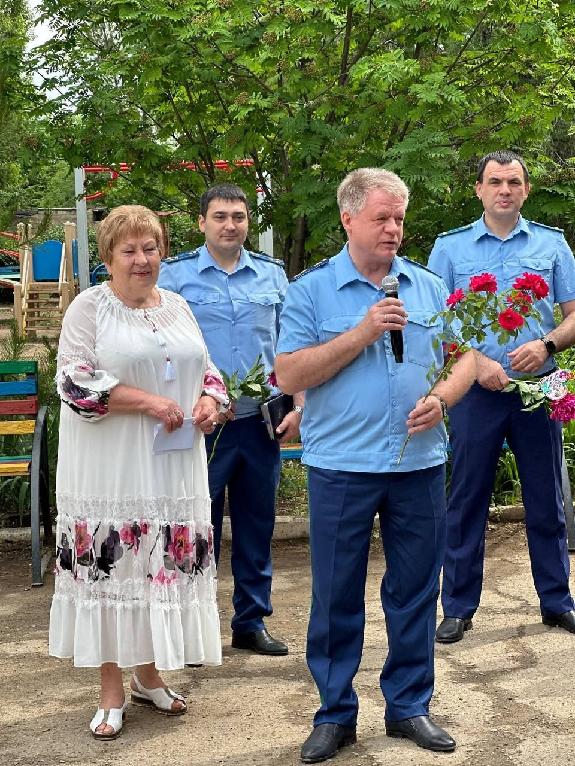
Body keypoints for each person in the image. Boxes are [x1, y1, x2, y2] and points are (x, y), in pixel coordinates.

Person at [275, 168, 476, 764]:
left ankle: (409, 705)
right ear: (348, 219)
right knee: (336, 595)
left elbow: (466, 358)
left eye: (399, 219)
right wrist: (363, 332)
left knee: (415, 591)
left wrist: (443, 398)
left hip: (417, 463)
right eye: (381, 218)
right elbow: (289, 373)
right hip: (342, 466)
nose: (393, 229)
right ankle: (335, 715)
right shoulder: (312, 291)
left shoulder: (429, 287)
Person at [48, 205, 228, 740]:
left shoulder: (177, 305)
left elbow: (207, 369)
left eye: (150, 248)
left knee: (156, 567)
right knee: (114, 567)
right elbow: (74, 383)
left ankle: (148, 675)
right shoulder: (89, 307)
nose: (142, 259)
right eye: (129, 250)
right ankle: (111, 690)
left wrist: (209, 401)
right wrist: (150, 402)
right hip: (111, 467)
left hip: (171, 466)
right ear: (108, 258)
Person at [429, 150, 575, 645]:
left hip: (542, 385)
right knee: (467, 498)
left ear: (526, 190)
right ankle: (458, 607)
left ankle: (557, 601)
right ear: (479, 189)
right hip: (475, 388)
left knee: (547, 499)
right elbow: (434, 322)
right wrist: (476, 361)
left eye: (513, 182)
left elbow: (573, 314)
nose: (504, 190)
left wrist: (547, 344)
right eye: (495, 182)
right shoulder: (450, 249)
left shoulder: (553, 244)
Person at [158, 183, 303, 656]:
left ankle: (250, 622)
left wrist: (298, 406)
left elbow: (292, 346)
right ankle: (192, 627)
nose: (230, 225)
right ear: (201, 222)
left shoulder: (272, 276)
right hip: (201, 426)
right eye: (220, 216)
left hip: (259, 423)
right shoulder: (175, 277)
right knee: (195, 526)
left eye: (238, 217)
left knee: (256, 526)